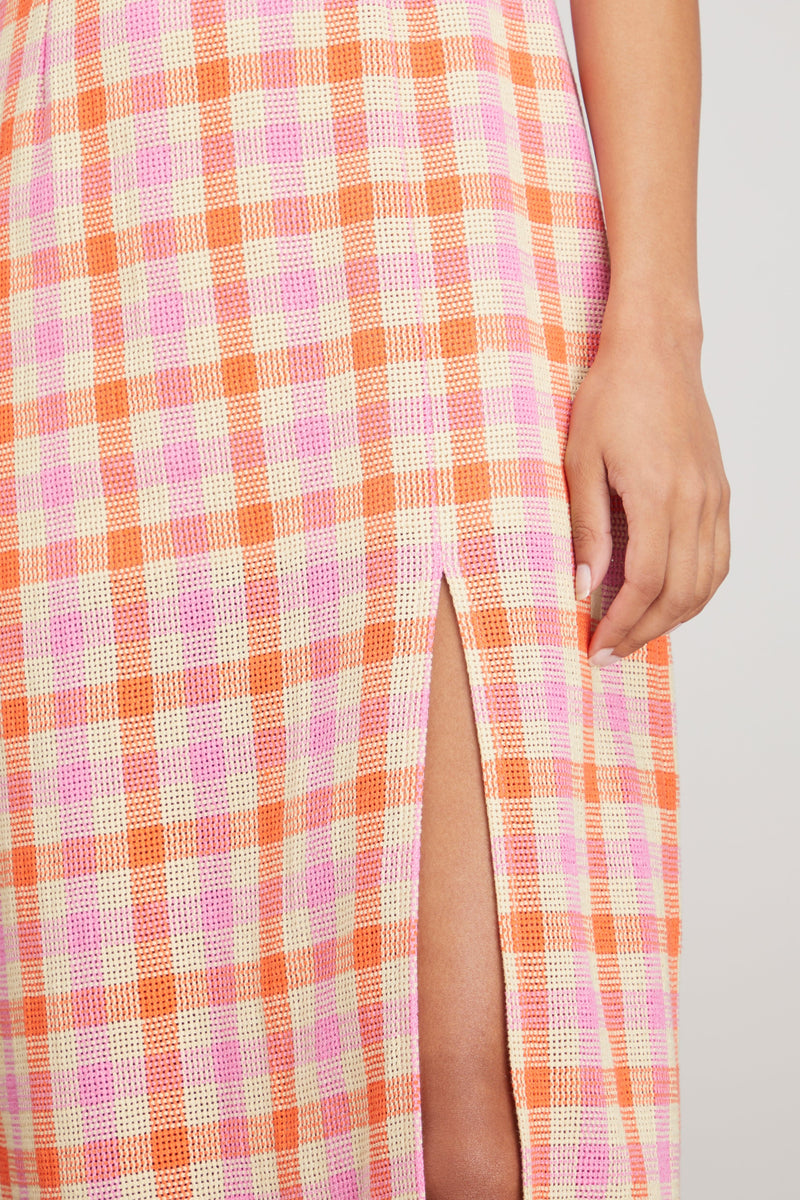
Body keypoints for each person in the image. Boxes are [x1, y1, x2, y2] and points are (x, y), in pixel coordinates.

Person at [0, 0, 728, 1197]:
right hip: (78, 239)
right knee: (117, 1090)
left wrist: (656, 333)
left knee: (486, 1112)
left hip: (434, 222)